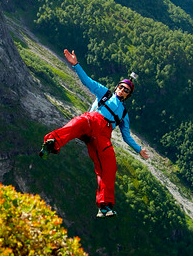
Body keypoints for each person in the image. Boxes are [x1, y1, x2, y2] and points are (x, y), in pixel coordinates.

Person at [40, 49, 150, 218]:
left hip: (102, 136)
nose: (122, 90)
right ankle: (51, 143)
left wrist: (139, 149)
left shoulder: (124, 115)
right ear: (116, 87)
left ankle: (104, 206)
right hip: (92, 121)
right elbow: (87, 81)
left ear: (128, 95)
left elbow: (127, 136)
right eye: (121, 87)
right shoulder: (104, 93)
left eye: (126, 90)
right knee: (76, 124)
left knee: (109, 166)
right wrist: (76, 64)